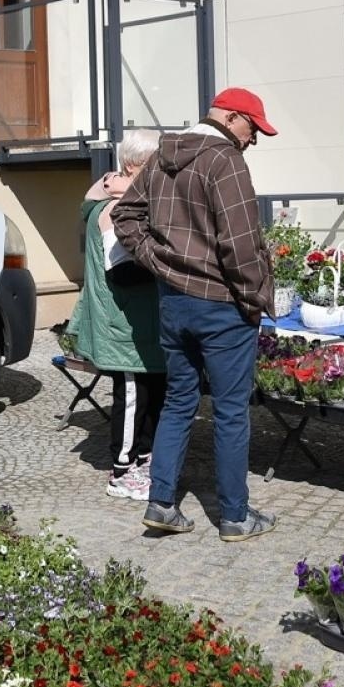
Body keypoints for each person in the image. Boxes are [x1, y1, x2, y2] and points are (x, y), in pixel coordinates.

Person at [113, 88, 277, 541]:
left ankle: (161, 504)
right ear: (230, 116)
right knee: (229, 412)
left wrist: (159, 262)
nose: (253, 139)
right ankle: (235, 516)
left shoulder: (165, 155)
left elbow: (125, 216)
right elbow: (241, 246)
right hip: (222, 305)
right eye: (252, 128)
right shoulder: (224, 160)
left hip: (175, 303)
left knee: (179, 402)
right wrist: (255, 299)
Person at [67, 130, 167, 499]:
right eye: (152, 166)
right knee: (132, 396)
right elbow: (122, 272)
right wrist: (168, 264)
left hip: (140, 323)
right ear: (131, 165)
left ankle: (144, 459)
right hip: (122, 323)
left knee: (151, 392)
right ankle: (122, 472)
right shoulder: (116, 208)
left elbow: (86, 201)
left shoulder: (122, 196)